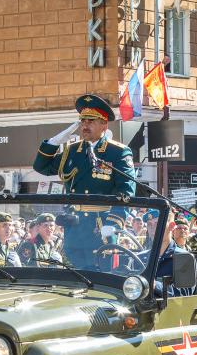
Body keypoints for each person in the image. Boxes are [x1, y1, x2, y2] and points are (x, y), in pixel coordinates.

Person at [33, 94, 136, 267]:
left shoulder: (117, 152)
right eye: (83, 121)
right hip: (75, 229)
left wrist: (113, 223)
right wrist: (54, 142)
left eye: (91, 121)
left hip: (101, 227)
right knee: (75, 277)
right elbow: (41, 167)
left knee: (102, 277)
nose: (85, 125)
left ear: (104, 124)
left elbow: (126, 192)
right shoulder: (72, 151)